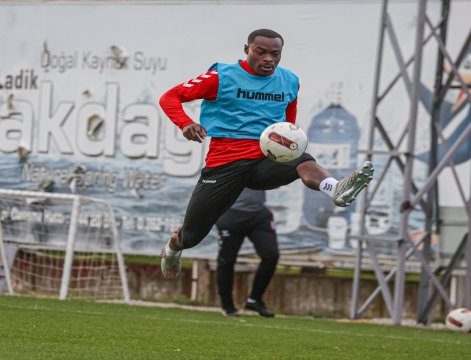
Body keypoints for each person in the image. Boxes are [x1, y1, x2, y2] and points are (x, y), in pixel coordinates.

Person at [158, 28, 374, 281]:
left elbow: (289, 126)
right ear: (247, 49)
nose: (268, 58)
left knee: (302, 160)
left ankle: (335, 188)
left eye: (275, 53)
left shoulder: (289, 80)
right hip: (225, 165)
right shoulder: (221, 77)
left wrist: (289, 147)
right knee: (192, 237)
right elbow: (170, 96)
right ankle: (172, 249)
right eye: (261, 52)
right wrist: (185, 123)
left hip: (265, 161)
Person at [215, 188, 278, 317]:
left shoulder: (261, 166)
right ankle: (227, 305)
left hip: (258, 213)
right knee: (227, 260)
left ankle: (254, 300)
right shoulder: (226, 167)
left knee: (271, 255)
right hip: (231, 213)